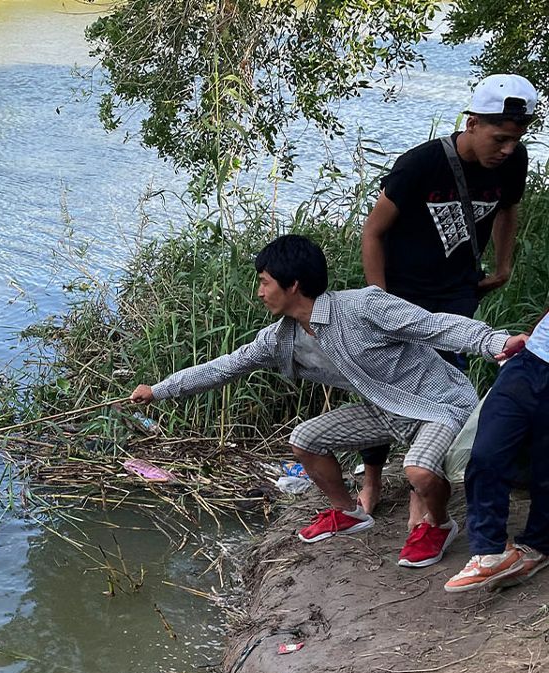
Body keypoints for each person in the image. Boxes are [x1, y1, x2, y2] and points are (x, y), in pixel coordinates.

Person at [127, 235, 521, 568]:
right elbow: (225, 367)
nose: (260, 293)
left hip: (438, 403)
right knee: (305, 439)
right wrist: (159, 390)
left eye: (264, 283)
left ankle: (438, 524)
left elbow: (437, 326)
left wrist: (496, 343)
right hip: (385, 410)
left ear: (293, 284)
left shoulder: (364, 306)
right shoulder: (280, 337)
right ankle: (349, 513)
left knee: (418, 471)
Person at [358, 74, 538, 504]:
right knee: (382, 380)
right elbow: (372, 232)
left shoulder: (514, 162)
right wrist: (377, 299)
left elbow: (507, 212)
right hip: (401, 291)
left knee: (445, 380)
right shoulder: (421, 164)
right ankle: (371, 482)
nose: (507, 149)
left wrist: (503, 266)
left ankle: (428, 480)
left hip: (458, 290)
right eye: (499, 138)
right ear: (471, 123)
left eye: (515, 138)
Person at [445, 307, 547, 592]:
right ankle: (490, 551)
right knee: (487, 453)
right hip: (529, 362)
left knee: (546, 467)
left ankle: (537, 546)